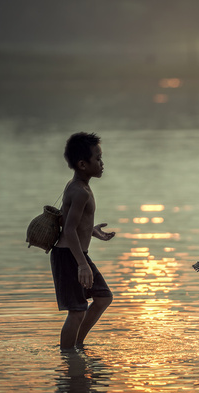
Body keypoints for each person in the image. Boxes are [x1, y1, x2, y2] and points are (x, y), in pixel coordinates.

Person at [51, 132, 115, 351]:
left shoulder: (80, 186)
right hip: (69, 257)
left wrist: (91, 231)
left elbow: (70, 223)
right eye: (97, 158)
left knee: (103, 297)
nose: (102, 163)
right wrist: (82, 264)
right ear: (82, 164)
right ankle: (67, 355)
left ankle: (77, 344)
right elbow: (68, 229)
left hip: (76, 254)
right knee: (77, 310)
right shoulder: (79, 191)